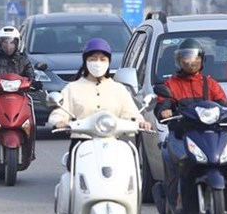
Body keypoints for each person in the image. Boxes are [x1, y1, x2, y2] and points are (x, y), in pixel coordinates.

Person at [154, 38, 227, 212]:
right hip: (181, 134)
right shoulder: (170, 84)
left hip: (207, 135)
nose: (191, 61)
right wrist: (164, 111)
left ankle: (224, 202)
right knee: (181, 161)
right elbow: (162, 104)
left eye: (195, 57)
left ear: (202, 60)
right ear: (179, 61)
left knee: (226, 157)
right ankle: (178, 198)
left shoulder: (209, 83)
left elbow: (223, 105)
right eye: (186, 58)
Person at [48, 38, 152, 169]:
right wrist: (59, 121)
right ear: (85, 61)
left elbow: (131, 113)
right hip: (82, 145)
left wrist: (140, 122)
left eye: (103, 59)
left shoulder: (118, 89)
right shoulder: (72, 88)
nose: (98, 63)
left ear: (109, 62)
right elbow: (60, 112)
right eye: (93, 58)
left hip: (113, 145)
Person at [0, 26, 38, 91]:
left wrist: (34, 84)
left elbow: (31, 77)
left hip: (20, 95)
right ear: (0, 43)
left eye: (11, 42)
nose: (8, 45)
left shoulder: (24, 61)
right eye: (5, 42)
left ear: (17, 43)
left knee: (32, 100)